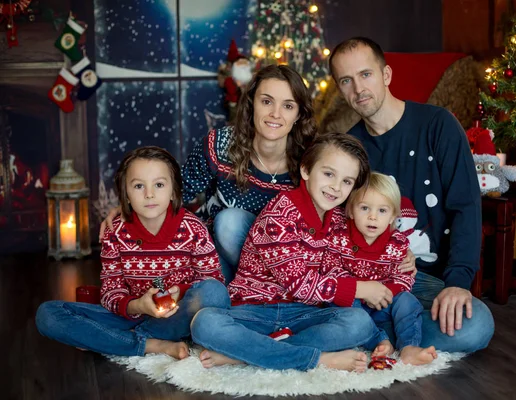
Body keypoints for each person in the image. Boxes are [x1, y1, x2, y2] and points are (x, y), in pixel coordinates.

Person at [329, 37, 494, 353]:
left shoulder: (438, 125)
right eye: (346, 81)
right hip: (370, 279)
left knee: (477, 327)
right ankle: (384, 333)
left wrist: (458, 284)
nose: (358, 89)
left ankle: (377, 335)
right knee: (333, 305)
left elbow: (466, 207)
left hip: (427, 280)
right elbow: (337, 224)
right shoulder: (349, 150)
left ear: (386, 75)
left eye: (366, 75)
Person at [190, 133, 393, 372]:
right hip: (254, 311)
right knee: (205, 323)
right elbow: (299, 284)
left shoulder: (338, 220)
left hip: (303, 316)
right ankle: (317, 359)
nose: (336, 187)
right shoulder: (280, 214)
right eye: (328, 174)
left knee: (358, 322)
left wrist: (378, 336)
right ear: (306, 171)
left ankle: (245, 356)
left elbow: (344, 266)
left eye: (347, 182)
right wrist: (361, 287)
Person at [100, 65, 317, 284]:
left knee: (231, 222)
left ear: (299, 114)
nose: (275, 114)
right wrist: (127, 207)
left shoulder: (309, 161)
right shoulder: (220, 144)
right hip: (220, 248)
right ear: (252, 105)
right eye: (267, 101)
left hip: (283, 263)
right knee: (214, 254)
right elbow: (178, 191)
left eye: (288, 106)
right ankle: (243, 292)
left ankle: (261, 290)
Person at [36, 146, 225, 358]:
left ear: (173, 191)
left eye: (159, 184)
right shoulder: (115, 232)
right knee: (47, 314)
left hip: (176, 315)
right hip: (131, 315)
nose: (149, 194)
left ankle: (111, 340)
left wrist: (179, 293)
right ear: (125, 194)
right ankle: (151, 345)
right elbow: (110, 291)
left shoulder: (193, 229)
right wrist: (138, 306)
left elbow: (212, 280)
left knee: (214, 293)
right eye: (138, 186)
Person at [342, 172, 438, 365]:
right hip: (354, 306)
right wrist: (362, 291)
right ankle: (380, 339)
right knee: (341, 306)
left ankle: (409, 347)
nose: (373, 217)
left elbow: (405, 277)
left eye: (382, 211)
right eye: (365, 208)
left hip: (384, 303)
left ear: (393, 216)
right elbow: (333, 270)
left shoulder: (397, 243)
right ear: (351, 210)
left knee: (408, 301)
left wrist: (385, 294)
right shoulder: (340, 238)